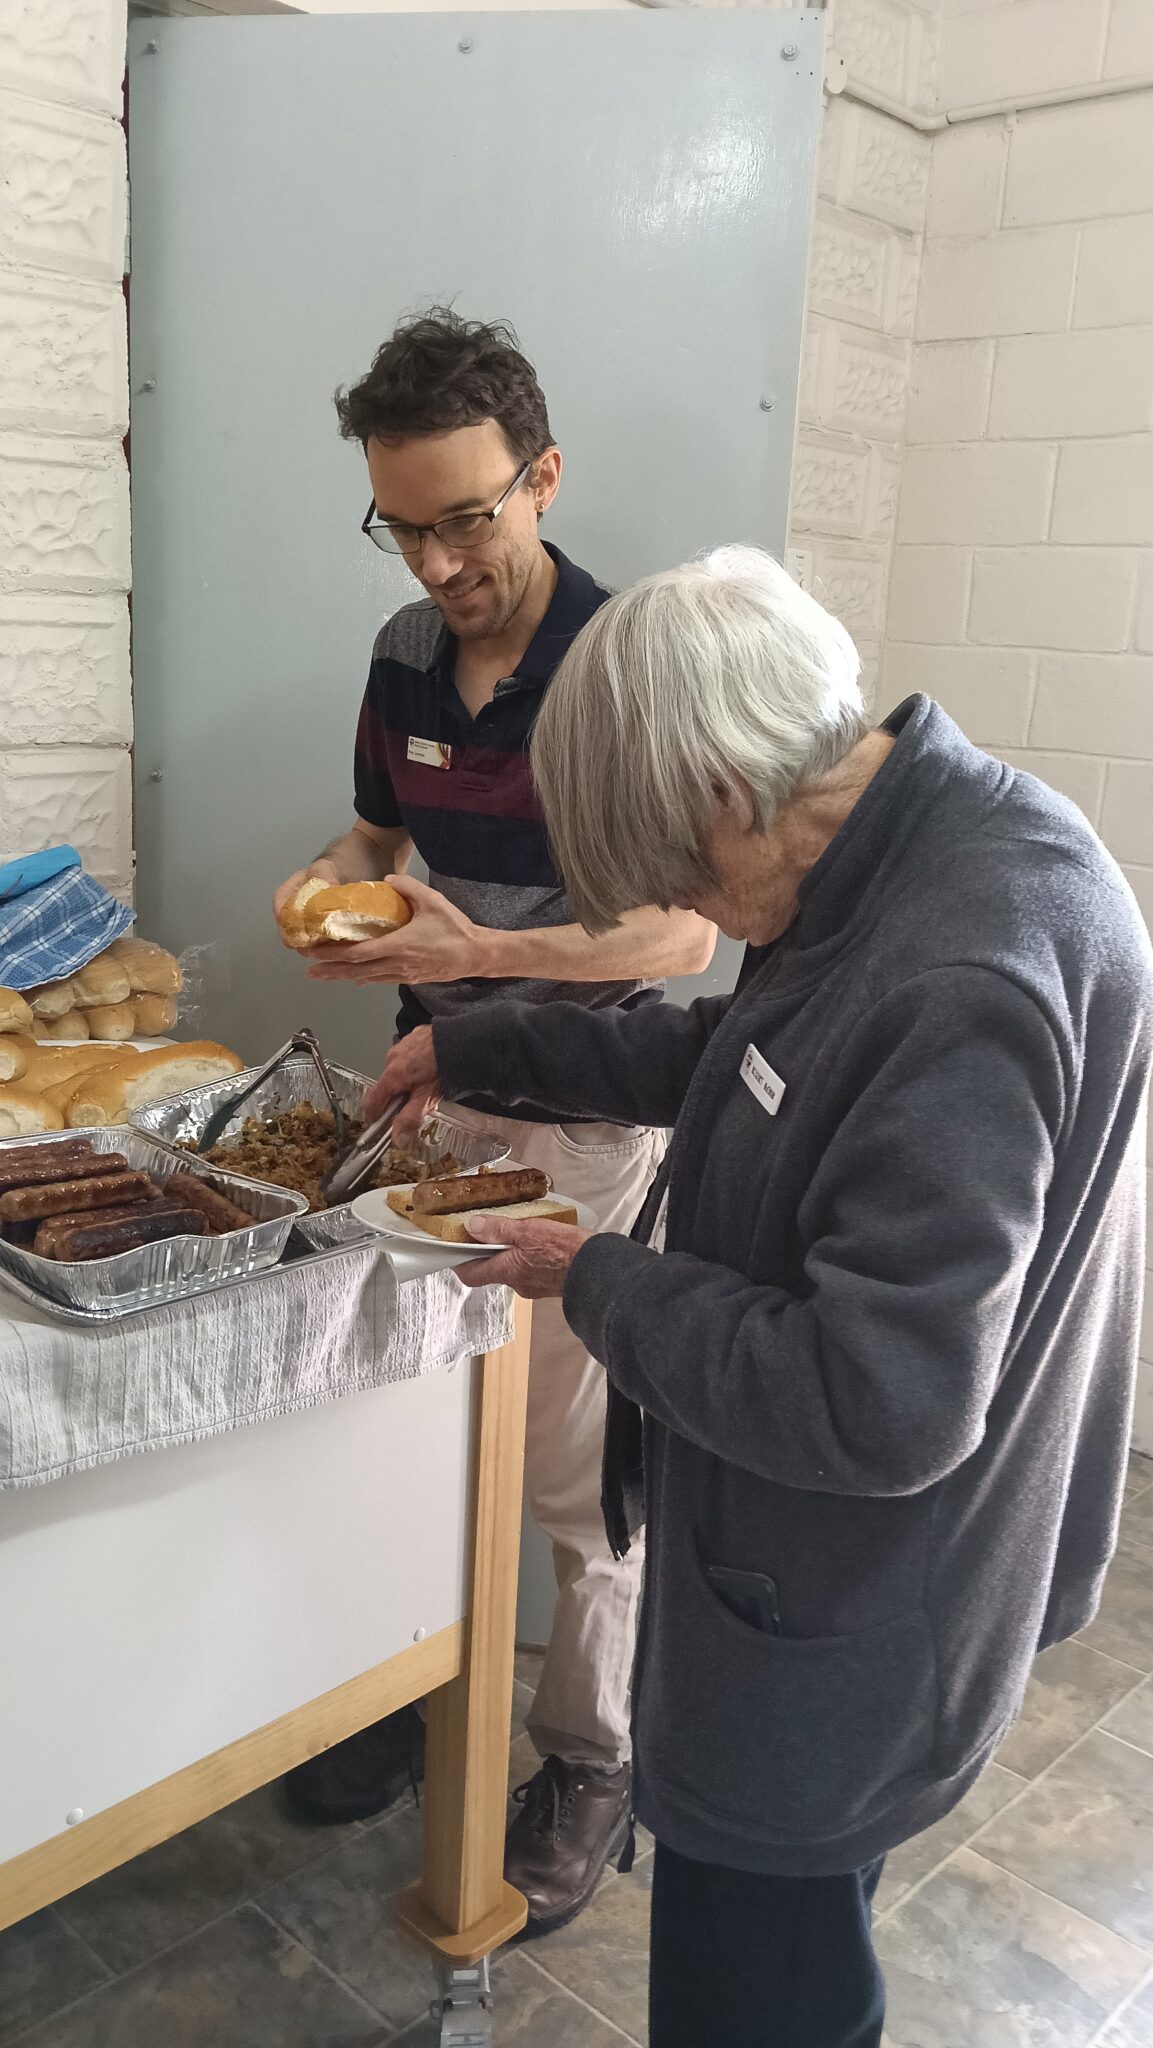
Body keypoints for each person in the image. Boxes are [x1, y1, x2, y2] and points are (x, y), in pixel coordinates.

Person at [371, 547, 1153, 2047]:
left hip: (853, 1612)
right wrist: (484, 1043)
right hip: (852, 1578)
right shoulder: (911, 842)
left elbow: (880, 1402)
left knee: (762, 1986)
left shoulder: (962, 967)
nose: (690, 910)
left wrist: (593, 1275)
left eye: (679, 873)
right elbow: (758, 1057)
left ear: (724, 788)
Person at [274, 309, 715, 1932]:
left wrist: (481, 956)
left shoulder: (623, 667)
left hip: (586, 1120)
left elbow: (685, 933)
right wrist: (327, 884)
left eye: (466, 518)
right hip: (429, 1095)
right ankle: (412, 1689)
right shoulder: (404, 653)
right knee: (401, 1419)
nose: (439, 563)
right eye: (403, 525)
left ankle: (589, 1758)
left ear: (543, 477)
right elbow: (377, 834)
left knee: (573, 1476)